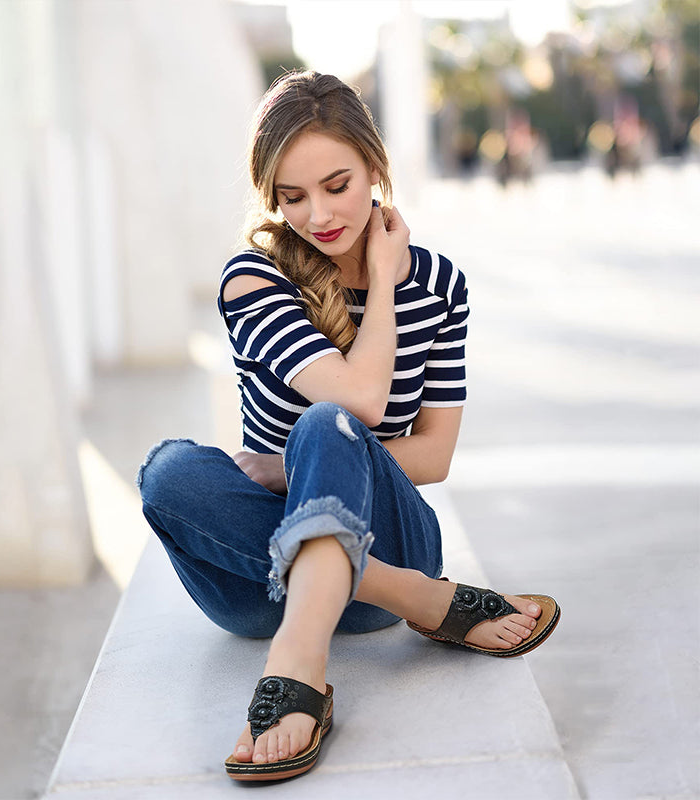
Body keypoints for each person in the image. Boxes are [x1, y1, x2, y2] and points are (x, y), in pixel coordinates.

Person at [136, 70, 560, 783]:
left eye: (337, 185)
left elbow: (430, 453)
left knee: (324, 426)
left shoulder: (438, 286)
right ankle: (416, 597)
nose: (319, 215)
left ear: (374, 168)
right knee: (167, 472)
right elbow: (362, 399)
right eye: (292, 196)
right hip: (259, 587)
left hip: (387, 534)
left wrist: (385, 282)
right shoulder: (254, 278)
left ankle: (297, 668)